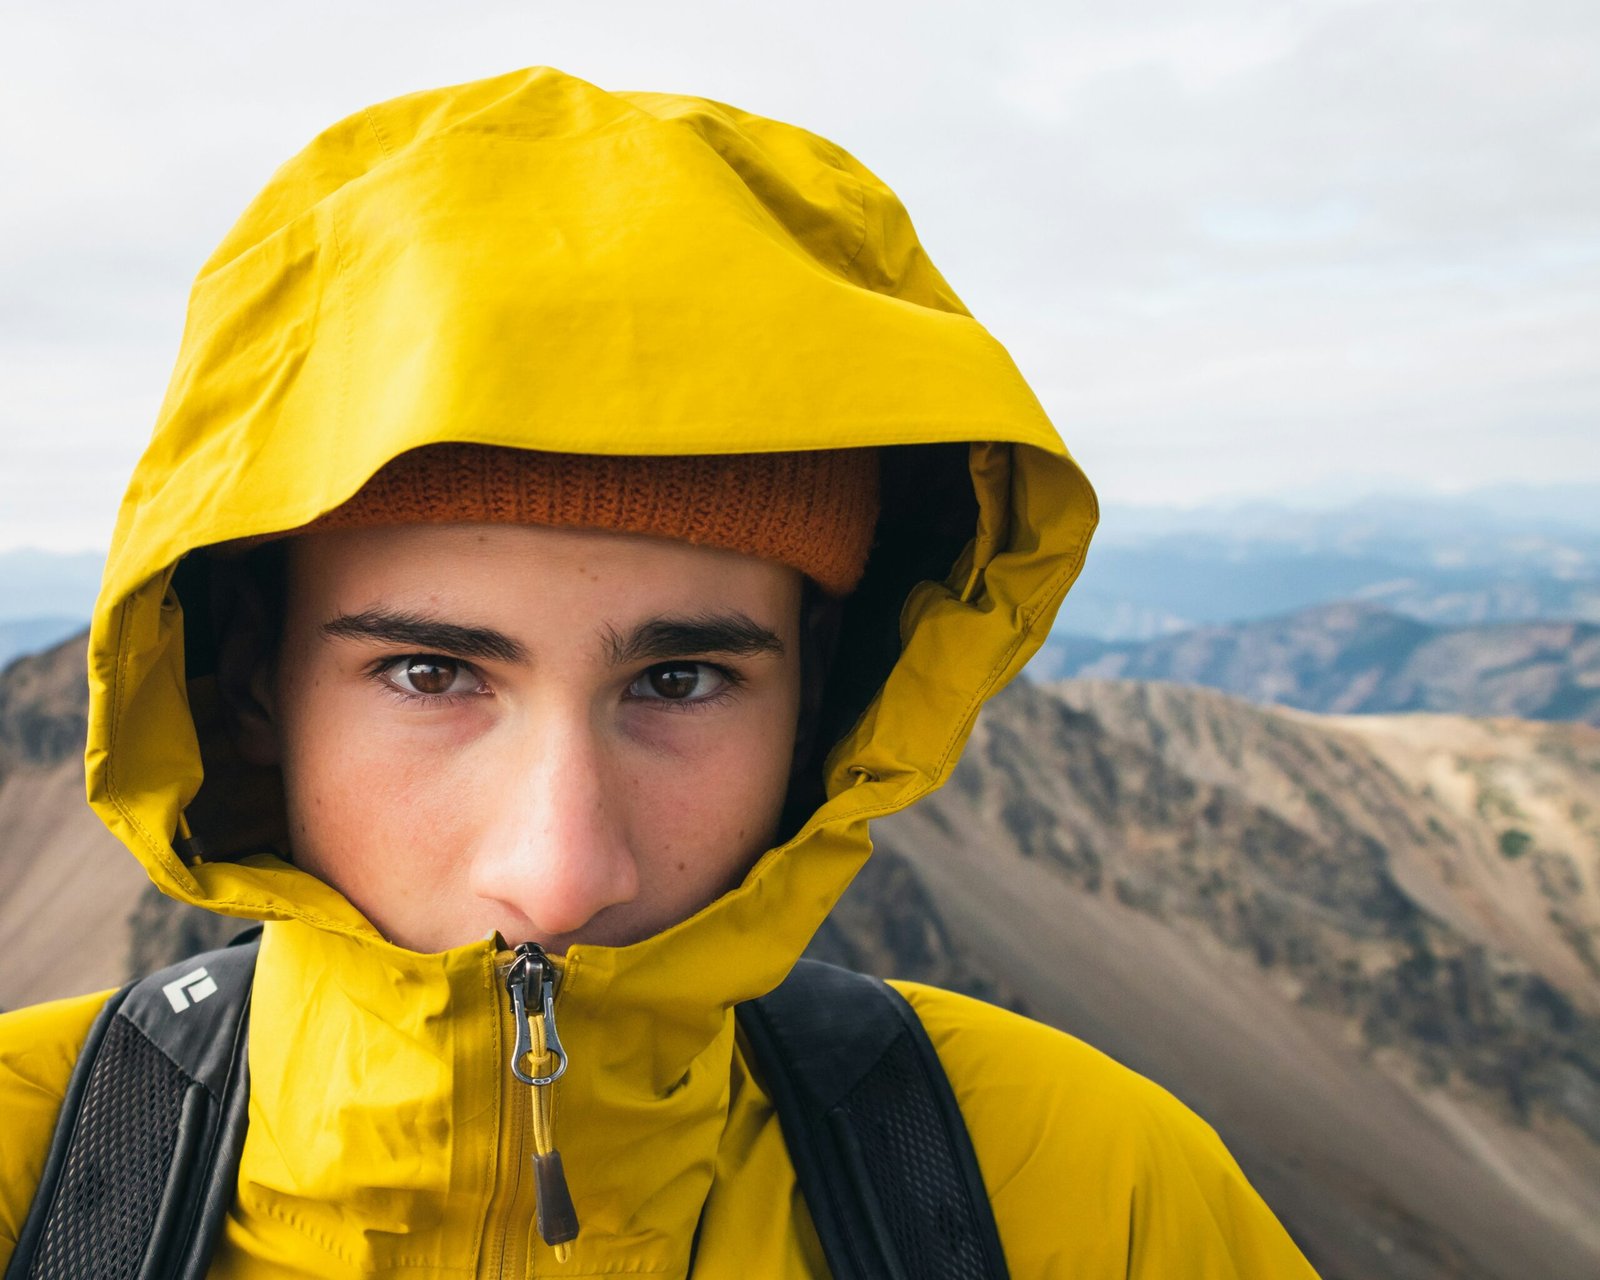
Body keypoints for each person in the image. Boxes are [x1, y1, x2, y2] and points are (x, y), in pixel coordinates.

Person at [0, 66, 1319, 1277]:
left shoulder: (1099, 1196)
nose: (562, 875)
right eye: (428, 674)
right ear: (250, 683)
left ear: (823, 701)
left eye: (680, 682)